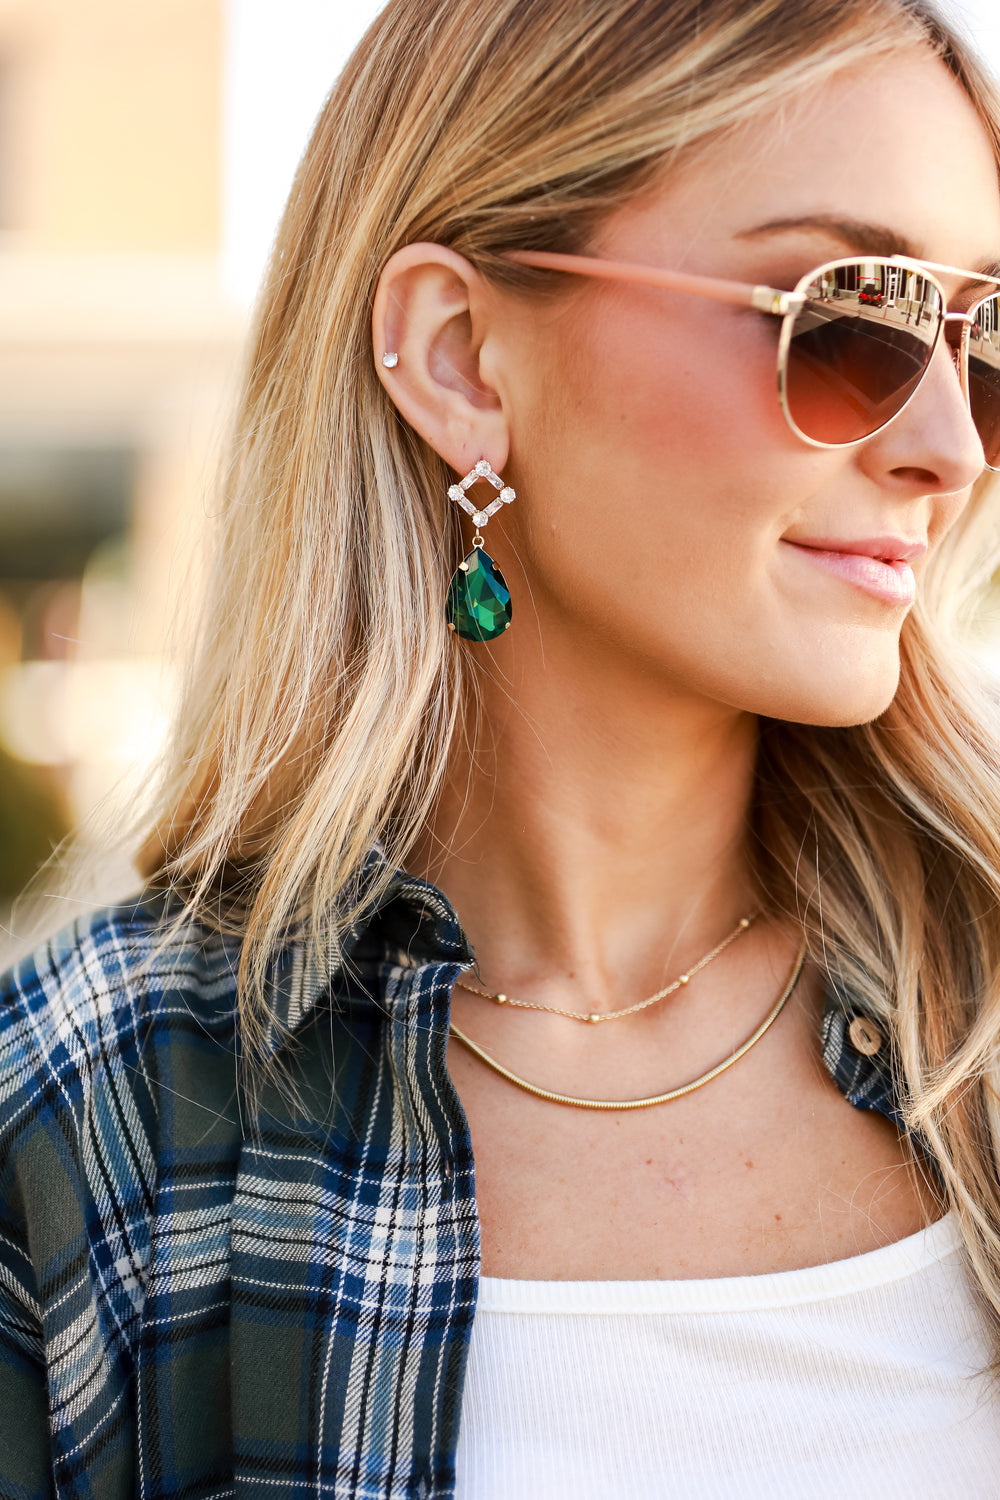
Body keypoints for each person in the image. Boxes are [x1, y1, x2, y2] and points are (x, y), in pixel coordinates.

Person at [3, 0, 1000, 1493]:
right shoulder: (97, 1117)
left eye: (981, 337)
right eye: (847, 317)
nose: (951, 445)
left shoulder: (977, 1027)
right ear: (461, 356)